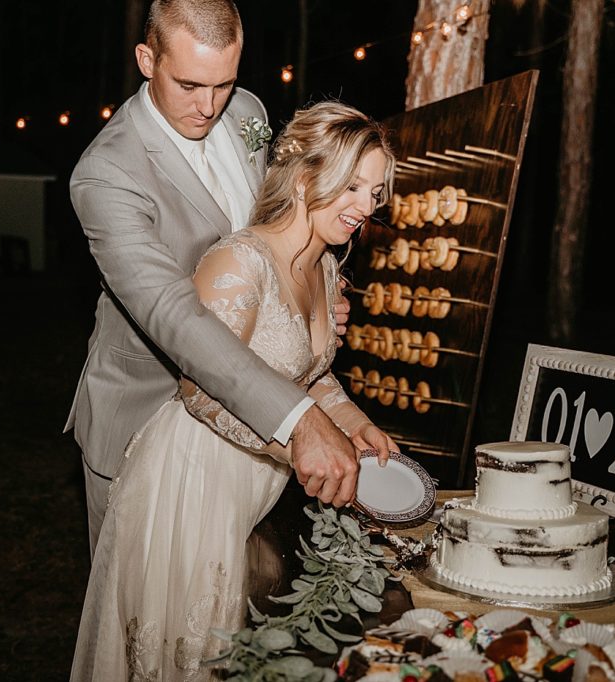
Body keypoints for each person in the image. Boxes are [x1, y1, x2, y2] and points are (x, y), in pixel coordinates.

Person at [70, 100, 398, 681]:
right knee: (190, 653)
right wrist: (296, 445)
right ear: (304, 178)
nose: (364, 208)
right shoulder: (240, 262)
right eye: (351, 187)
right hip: (192, 482)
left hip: (251, 484)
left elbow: (308, 373)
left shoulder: (322, 265)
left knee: (234, 649)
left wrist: (353, 423)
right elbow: (198, 392)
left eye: (374, 193)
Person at [64, 0, 383, 557]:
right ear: (146, 58)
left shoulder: (246, 113)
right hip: (146, 419)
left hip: (245, 433)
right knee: (145, 618)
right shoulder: (107, 173)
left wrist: (306, 302)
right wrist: (299, 420)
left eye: (223, 84)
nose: (208, 106)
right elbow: (174, 316)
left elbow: (273, 238)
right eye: (189, 84)